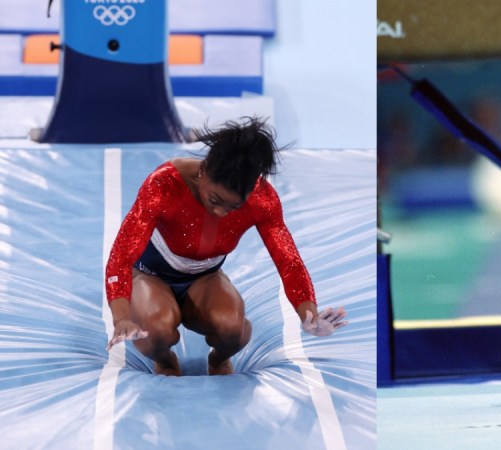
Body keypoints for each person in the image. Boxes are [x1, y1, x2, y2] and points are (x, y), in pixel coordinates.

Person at [104, 116, 348, 375]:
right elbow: (121, 255)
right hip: (150, 276)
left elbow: (288, 262)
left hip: (204, 279)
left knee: (232, 329)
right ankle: (164, 360)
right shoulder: (164, 185)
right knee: (156, 331)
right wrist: (121, 317)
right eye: (215, 199)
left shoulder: (262, 200)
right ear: (203, 170)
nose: (221, 212)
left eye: (234, 207)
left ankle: (218, 359)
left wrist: (308, 315)